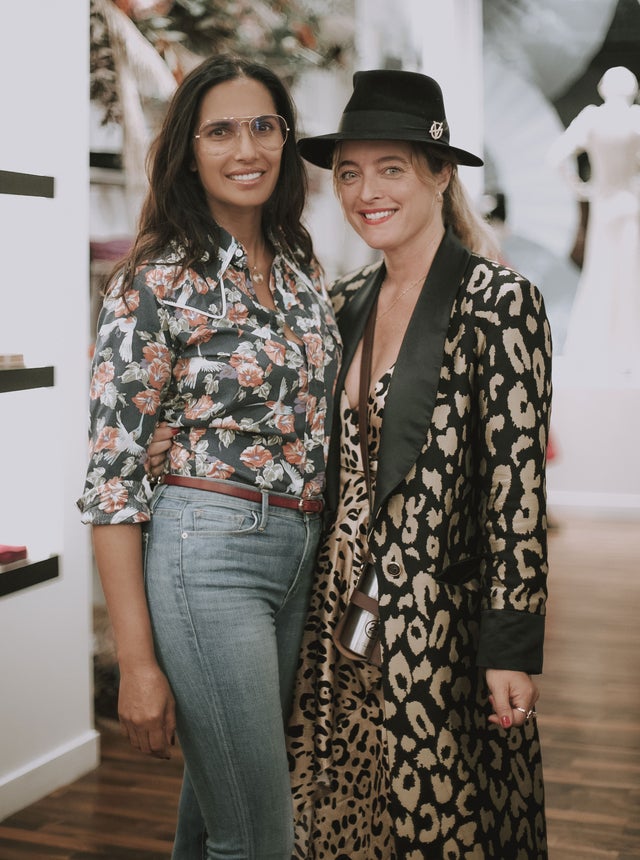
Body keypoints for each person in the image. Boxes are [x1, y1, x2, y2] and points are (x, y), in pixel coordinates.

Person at [77, 54, 341, 860]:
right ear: (188, 151)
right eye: (219, 131)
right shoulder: (153, 282)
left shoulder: (300, 271)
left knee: (217, 815)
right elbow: (112, 482)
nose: (246, 149)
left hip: (297, 555)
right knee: (259, 835)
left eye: (263, 126)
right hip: (208, 555)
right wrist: (136, 663)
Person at [287, 69, 551, 858]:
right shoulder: (344, 301)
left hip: (442, 625)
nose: (367, 190)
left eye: (391, 168)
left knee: (442, 822)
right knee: (342, 816)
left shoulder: (498, 303)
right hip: (342, 617)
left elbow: (519, 495)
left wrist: (510, 648)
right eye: (348, 172)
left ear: (441, 174)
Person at [548, 65, 640, 374]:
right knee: (628, 275)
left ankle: (599, 347)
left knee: (601, 272)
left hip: (603, 201)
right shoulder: (636, 118)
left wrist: (580, 188)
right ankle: (629, 348)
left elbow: (557, 156)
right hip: (630, 203)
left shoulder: (592, 117)